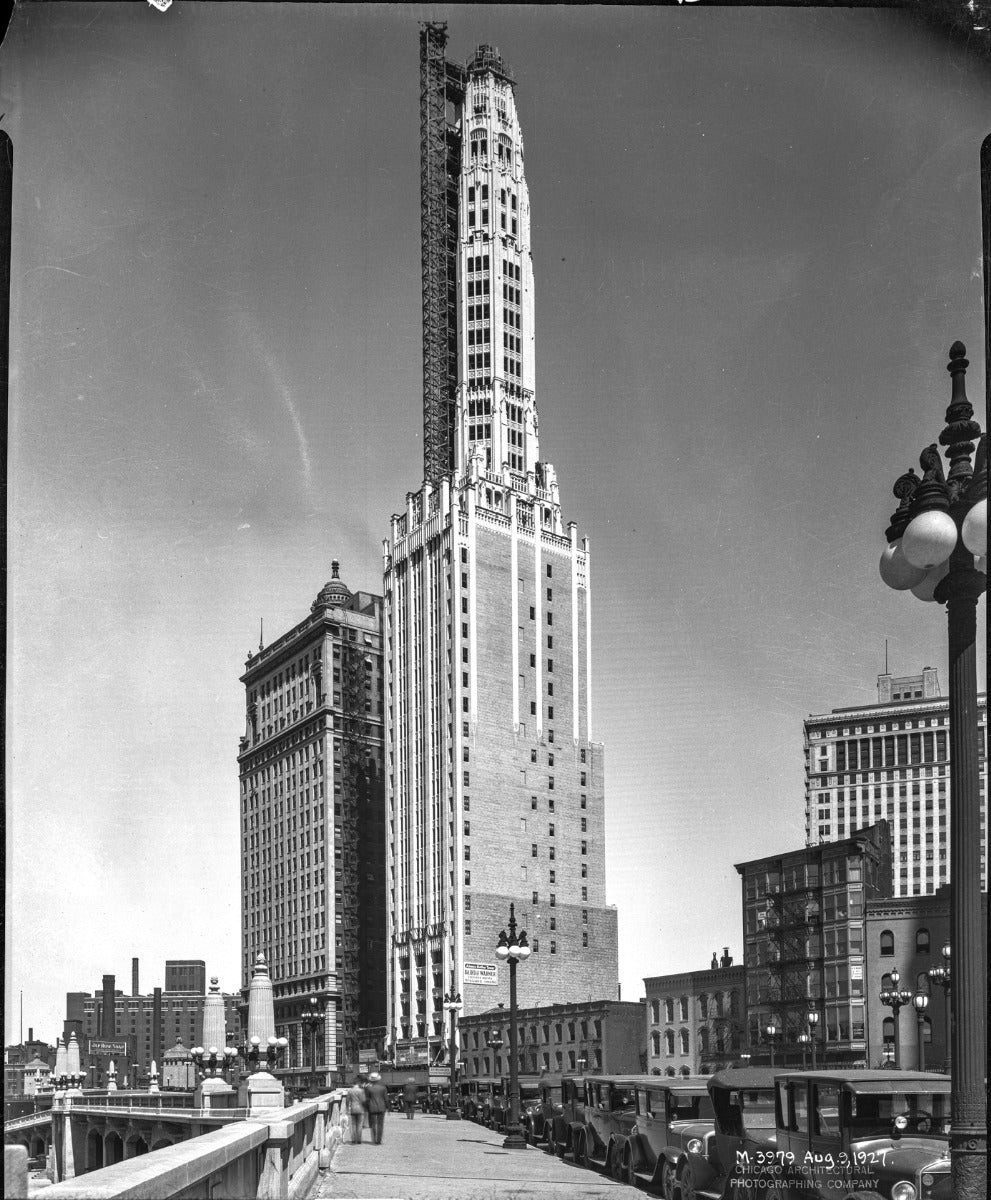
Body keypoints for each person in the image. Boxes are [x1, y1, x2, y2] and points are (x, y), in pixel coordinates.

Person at [364, 1072, 389, 1144]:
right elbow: (386, 1098)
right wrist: (388, 1107)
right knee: (380, 1124)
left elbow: (367, 1099)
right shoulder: (383, 1088)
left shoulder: (368, 1088)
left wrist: (366, 1108)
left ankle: (374, 1139)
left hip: (372, 1108)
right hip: (381, 1108)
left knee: (373, 1124)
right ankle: (379, 1140)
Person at [346, 1075, 367, 1144]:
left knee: (353, 1124)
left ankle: (353, 1139)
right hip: (360, 1109)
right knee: (359, 1125)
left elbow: (347, 1100)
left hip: (352, 1108)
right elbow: (363, 1100)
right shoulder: (361, 1091)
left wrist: (347, 1109)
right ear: (358, 1083)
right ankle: (359, 1139)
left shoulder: (350, 1091)